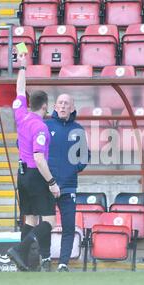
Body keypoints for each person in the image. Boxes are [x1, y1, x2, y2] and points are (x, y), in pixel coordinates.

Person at [6, 53, 60, 272]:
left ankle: (23, 265)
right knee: (49, 221)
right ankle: (19, 250)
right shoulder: (41, 127)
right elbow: (39, 158)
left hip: (21, 174)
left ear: (30, 103)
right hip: (36, 174)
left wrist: (23, 66)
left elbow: (20, 90)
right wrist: (52, 182)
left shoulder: (21, 115)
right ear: (45, 106)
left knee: (29, 218)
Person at [44, 94, 89, 272]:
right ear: (55, 106)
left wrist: (73, 169)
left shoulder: (78, 129)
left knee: (69, 225)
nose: (63, 106)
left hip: (69, 185)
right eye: (60, 103)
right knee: (46, 224)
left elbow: (85, 156)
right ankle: (45, 258)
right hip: (47, 185)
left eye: (67, 104)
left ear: (72, 108)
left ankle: (63, 263)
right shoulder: (45, 126)